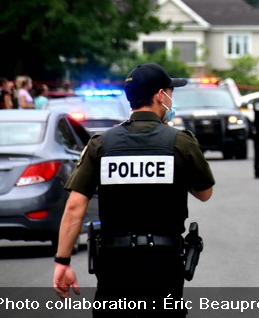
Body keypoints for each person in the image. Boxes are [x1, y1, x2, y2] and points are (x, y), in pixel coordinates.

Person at [52, 63, 215, 317]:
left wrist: (62, 262)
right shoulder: (180, 142)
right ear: (161, 95)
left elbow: (75, 206)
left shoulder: (101, 144)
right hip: (163, 264)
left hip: (115, 265)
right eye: (171, 92)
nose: (172, 99)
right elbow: (205, 193)